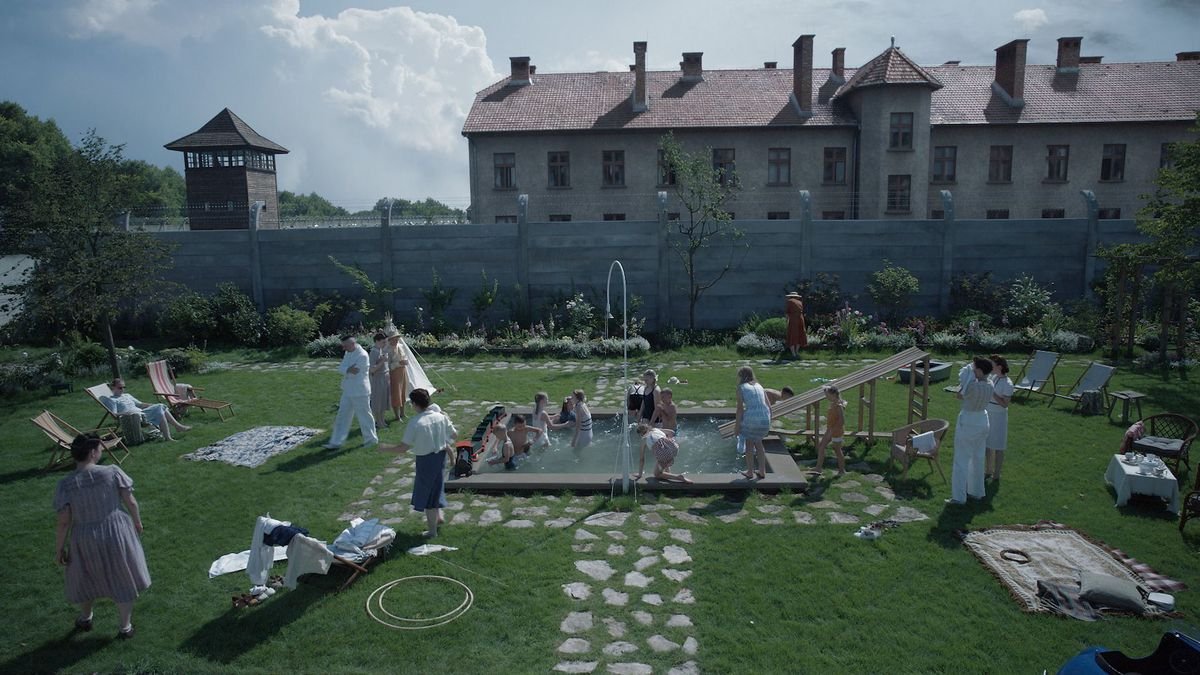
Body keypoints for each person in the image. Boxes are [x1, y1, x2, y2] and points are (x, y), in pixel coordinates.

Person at [55, 433, 150, 639]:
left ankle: (86, 617)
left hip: (83, 536)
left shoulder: (66, 484)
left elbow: (64, 521)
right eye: (99, 448)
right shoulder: (112, 472)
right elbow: (130, 501)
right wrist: (136, 521)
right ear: (92, 452)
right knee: (122, 575)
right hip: (116, 530)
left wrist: (60, 548)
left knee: (85, 575)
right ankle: (125, 628)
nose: (100, 451)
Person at [379, 389, 456, 538]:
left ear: (415, 404)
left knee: (427, 495)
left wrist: (385, 448)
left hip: (426, 461)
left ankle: (432, 531)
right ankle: (439, 516)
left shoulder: (416, 422)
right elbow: (454, 434)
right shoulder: (441, 417)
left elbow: (403, 448)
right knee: (435, 487)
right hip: (440, 458)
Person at [948, 356, 994, 505]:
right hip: (983, 420)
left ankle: (959, 497)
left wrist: (968, 377)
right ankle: (977, 492)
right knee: (978, 457)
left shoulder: (973, 386)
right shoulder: (990, 384)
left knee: (961, 459)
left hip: (969, 421)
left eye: (975, 368)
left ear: (979, 371)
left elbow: (959, 395)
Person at [324, 335, 378, 450]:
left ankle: (371, 440)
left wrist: (347, 369)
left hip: (360, 391)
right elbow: (341, 368)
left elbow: (356, 373)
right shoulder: (348, 353)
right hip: (348, 390)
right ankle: (336, 442)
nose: (344, 349)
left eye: (345, 346)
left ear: (352, 344)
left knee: (364, 417)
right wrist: (347, 369)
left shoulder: (362, 355)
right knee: (342, 416)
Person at [101, 378, 190, 441]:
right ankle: (176, 429)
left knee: (160, 407)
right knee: (160, 409)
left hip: (142, 413)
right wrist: (127, 412)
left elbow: (140, 404)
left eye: (124, 387)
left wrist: (152, 405)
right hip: (133, 417)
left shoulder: (127, 395)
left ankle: (171, 434)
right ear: (113, 387)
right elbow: (113, 415)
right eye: (120, 387)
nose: (122, 389)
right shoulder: (111, 400)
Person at [734, 366, 770, 480]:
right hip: (765, 417)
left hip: (752, 419)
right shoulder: (760, 386)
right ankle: (762, 470)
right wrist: (769, 419)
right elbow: (768, 405)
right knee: (759, 443)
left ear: (741, 376)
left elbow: (740, 409)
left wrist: (737, 426)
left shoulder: (741, 388)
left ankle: (750, 471)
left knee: (749, 444)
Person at [986, 354, 1014, 481]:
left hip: (999, 416)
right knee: (987, 443)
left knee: (998, 445)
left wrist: (993, 393)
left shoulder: (1008, 383)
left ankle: (996, 473)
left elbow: (1004, 404)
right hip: (988, 412)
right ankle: (988, 470)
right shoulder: (993, 377)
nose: (990, 367)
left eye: (992, 365)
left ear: (999, 367)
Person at [814, 385, 847, 477]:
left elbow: (842, 420)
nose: (826, 397)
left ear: (833, 394)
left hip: (836, 431)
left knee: (837, 450)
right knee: (821, 446)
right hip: (830, 429)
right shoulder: (833, 402)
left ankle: (842, 470)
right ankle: (818, 468)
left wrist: (834, 430)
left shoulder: (838, 405)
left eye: (827, 395)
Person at [385, 325, 410, 422]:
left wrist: (405, 361)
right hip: (394, 373)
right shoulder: (388, 350)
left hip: (402, 371)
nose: (395, 341)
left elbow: (405, 357)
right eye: (393, 339)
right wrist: (399, 363)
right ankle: (397, 416)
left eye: (397, 338)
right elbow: (388, 365)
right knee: (396, 393)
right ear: (390, 340)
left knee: (403, 392)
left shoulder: (400, 346)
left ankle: (403, 413)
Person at [368, 331, 392, 430]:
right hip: (378, 379)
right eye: (383, 342)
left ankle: (382, 420)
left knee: (383, 401)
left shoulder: (380, 350)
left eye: (385, 342)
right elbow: (372, 369)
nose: (385, 344)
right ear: (377, 341)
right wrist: (382, 361)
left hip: (384, 378)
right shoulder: (374, 351)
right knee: (378, 401)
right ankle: (378, 421)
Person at [785, 292, 808, 357]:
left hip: (793, 319)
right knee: (800, 334)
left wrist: (786, 321)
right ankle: (797, 352)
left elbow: (787, 312)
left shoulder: (789, 301)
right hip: (800, 318)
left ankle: (793, 353)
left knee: (792, 334)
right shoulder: (800, 302)